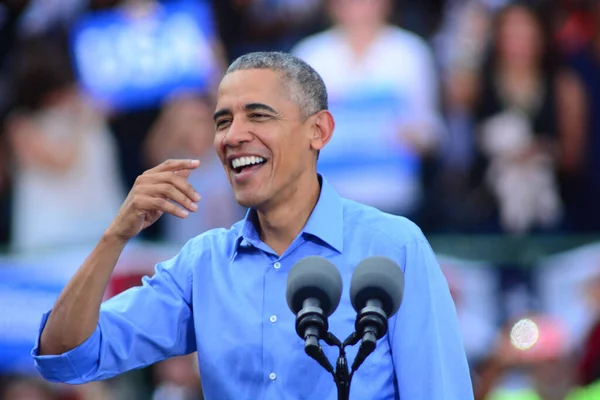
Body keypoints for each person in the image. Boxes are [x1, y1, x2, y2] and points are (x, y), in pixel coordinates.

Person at [31, 52, 473, 399]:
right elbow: (66, 356)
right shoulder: (201, 265)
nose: (232, 135)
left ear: (318, 131)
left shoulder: (394, 247)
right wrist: (117, 235)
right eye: (223, 120)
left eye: (258, 115)